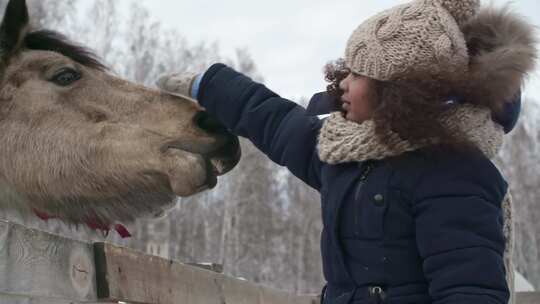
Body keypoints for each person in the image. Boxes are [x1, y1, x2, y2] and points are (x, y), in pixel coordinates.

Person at [157, 0, 537, 303]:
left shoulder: (455, 174)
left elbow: (469, 288)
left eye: (357, 75)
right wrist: (209, 85)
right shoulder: (346, 152)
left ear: (398, 92)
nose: (342, 84)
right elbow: (276, 122)